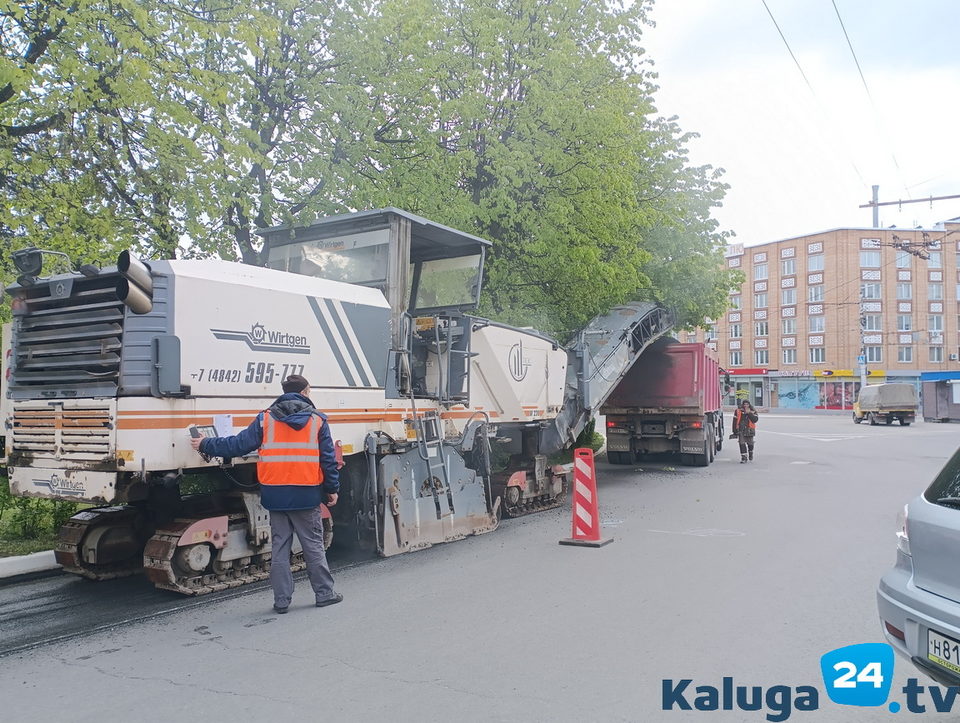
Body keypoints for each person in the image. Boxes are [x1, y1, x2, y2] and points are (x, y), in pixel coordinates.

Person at [189, 374, 342, 614]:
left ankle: (282, 601)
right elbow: (328, 461)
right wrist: (332, 490)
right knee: (313, 546)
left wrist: (206, 444)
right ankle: (324, 594)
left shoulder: (265, 419)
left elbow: (238, 445)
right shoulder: (318, 421)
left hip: (275, 495)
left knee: (280, 548)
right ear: (304, 392)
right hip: (307, 494)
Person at [733, 399, 759, 463]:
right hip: (741, 429)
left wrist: (749, 413)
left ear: (749, 405)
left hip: (750, 429)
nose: (745, 406)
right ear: (742, 405)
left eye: (747, 404)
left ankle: (750, 452)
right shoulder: (738, 411)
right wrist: (734, 430)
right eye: (744, 404)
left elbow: (755, 420)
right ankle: (744, 458)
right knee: (741, 443)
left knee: (750, 443)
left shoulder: (753, 411)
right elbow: (734, 421)